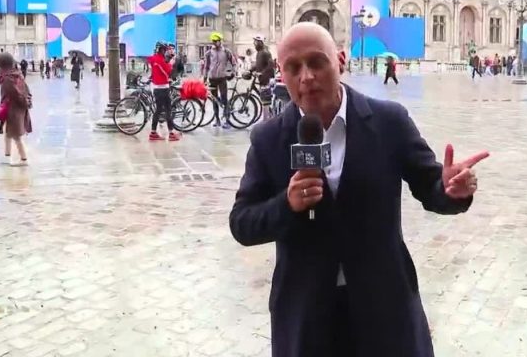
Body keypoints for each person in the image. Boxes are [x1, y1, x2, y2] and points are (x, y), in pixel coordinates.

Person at [229, 22, 489, 357]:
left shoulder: (388, 121)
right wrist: (286, 204)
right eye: (293, 68)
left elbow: (431, 187)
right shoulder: (268, 139)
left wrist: (451, 189)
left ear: (340, 60)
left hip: (384, 310)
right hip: (307, 316)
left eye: (316, 62)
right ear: (281, 74)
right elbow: (242, 223)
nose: (306, 77)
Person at [0, 53, 32, 166]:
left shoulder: (8, 78)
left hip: (13, 109)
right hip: (15, 107)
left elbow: (14, 94)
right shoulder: (17, 74)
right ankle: (7, 156)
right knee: (8, 132)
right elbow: (26, 90)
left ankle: (24, 159)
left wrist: (23, 102)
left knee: (16, 135)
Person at [147, 41, 180, 142]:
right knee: (168, 110)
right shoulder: (160, 60)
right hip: (163, 88)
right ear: (161, 50)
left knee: (158, 110)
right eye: (165, 50)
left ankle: (153, 132)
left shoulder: (153, 59)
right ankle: (171, 133)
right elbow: (168, 71)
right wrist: (171, 62)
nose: (166, 51)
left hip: (156, 88)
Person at [202, 32, 236, 129]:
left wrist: (233, 72)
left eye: (216, 41)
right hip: (212, 78)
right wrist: (204, 77)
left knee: (224, 99)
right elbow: (206, 67)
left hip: (222, 78)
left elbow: (234, 63)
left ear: (220, 41)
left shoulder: (226, 51)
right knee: (214, 100)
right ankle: (217, 119)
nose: (215, 43)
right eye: (213, 41)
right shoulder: (209, 53)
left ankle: (227, 120)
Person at [252, 35, 275, 121]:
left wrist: (262, 73)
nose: (255, 44)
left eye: (256, 42)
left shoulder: (265, 52)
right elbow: (258, 65)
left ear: (260, 43)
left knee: (266, 100)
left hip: (267, 79)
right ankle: (267, 117)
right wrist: (250, 70)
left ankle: (266, 120)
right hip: (262, 79)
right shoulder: (259, 53)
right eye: (254, 42)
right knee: (264, 98)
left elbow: (271, 65)